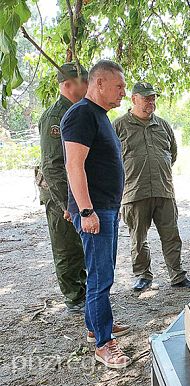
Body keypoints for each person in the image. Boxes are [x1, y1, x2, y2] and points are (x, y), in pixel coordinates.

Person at [62, 60, 131, 369]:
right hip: (95, 210)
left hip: (106, 208)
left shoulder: (99, 116)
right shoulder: (80, 115)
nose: (123, 93)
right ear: (99, 83)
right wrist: (85, 209)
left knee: (102, 273)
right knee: (101, 277)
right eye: (119, 86)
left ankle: (95, 326)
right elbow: (73, 165)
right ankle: (104, 345)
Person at [113, 82, 190, 292]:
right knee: (138, 239)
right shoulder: (119, 126)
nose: (150, 102)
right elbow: (110, 161)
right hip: (134, 192)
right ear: (134, 99)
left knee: (171, 236)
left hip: (164, 190)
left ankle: (177, 275)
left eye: (153, 98)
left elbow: (172, 154)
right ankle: (143, 276)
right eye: (146, 98)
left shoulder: (163, 125)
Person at [36, 62, 88, 313]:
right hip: (60, 193)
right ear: (68, 85)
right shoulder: (56, 117)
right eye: (84, 81)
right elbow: (53, 165)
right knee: (66, 245)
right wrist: (66, 203)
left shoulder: (77, 111)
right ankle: (74, 298)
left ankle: (83, 290)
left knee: (78, 244)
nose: (88, 85)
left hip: (74, 192)